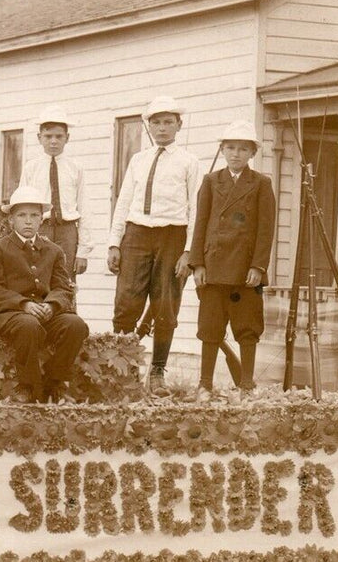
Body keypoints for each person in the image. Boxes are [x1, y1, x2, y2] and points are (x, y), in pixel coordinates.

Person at [107, 94, 200, 391]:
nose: (162, 128)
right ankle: (124, 368)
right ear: (148, 126)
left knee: (165, 305)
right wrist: (114, 242)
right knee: (126, 302)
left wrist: (189, 251)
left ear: (179, 125)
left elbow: (196, 209)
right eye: (156, 122)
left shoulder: (189, 162)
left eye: (168, 122)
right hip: (136, 233)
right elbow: (123, 203)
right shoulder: (138, 159)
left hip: (172, 235)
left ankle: (158, 371)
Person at [188, 120, 276, 392]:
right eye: (230, 148)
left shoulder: (261, 183)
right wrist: (197, 264)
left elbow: (266, 229)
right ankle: (205, 384)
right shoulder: (211, 181)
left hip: (244, 269)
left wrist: (258, 266)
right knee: (210, 326)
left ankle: (246, 384)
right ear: (223, 150)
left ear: (252, 153)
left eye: (242, 149)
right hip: (214, 267)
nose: (236, 153)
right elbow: (200, 223)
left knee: (247, 326)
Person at [0, 184, 90, 403]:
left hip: (46, 313)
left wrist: (51, 305)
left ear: (42, 220)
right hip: (11, 315)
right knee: (28, 325)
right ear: (11, 220)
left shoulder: (54, 251)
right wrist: (22, 304)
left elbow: (62, 288)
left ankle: (54, 382)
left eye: (34, 215)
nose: (28, 221)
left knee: (76, 325)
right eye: (22, 215)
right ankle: (28, 386)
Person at [23, 105, 92, 277]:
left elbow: (85, 208)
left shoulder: (76, 167)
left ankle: (66, 305)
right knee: (37, 277)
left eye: (59, 136)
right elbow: (22, 205)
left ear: (67, 138)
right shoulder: (31, 167)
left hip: (67, 230)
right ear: (39, 137)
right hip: (40, 228)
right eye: (48, 136)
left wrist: (83, 251)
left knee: (65, 279)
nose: (53, 141)